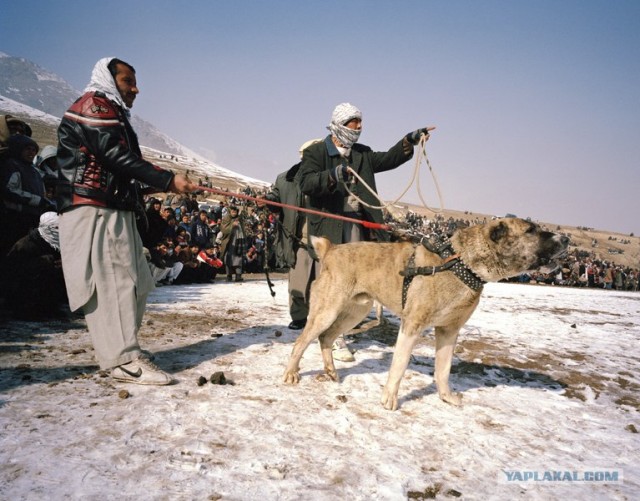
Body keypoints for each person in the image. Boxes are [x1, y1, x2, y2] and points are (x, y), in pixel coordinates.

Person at [55, 57, 198, 385]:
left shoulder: (111, 112)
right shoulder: (94, 106)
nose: (135, 89)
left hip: (114, 208)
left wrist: (164, 183)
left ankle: (123, 352)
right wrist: (167, 180)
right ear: (108, 80)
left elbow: (120, 166)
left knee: (135, 282)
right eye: (127, 81)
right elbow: (115, 157)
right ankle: (123, 360)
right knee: (114, 282)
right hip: (96, 209)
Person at [297, 102, 434, 360]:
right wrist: (333, 175)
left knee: (355, 286)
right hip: (330, 229)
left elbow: (388, 159)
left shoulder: (362, 154)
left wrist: (409, 141)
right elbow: (305, 182)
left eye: (360, 121)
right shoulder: (316, 152)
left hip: (359, 228)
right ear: (340, 123)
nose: (359, 127)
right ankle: (328, 337)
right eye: (354, 122)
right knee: (335, 288)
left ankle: (338, 334)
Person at [264, 139, 322, 330]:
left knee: (323, 283)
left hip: (324, 239)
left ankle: (321, 319)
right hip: (297, 239)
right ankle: (299, 317)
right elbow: (275, 198)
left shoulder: (326, 177)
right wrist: (267, 201)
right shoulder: (285, 179)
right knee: (298, 280)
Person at [1, 134, 54, 256]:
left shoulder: (34, 171)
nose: (31, 152)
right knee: (12, 251)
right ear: (19, 149)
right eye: (27, 149)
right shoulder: (12, 165)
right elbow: (10, 190)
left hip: (32, 217)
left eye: (34, 150)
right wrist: (37, 200)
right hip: (15, 217)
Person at [219, 205, 247, 281]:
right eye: (233, 211)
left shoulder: (239, 219)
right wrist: (232, 225)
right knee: (228, 259)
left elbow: (244, 228)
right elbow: (223, 229)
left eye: (235, 212)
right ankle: (229, 275)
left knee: (239, 258)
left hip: (239, 242)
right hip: (229, 242)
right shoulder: (226, 219)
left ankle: (238, 275)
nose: (234, 213)